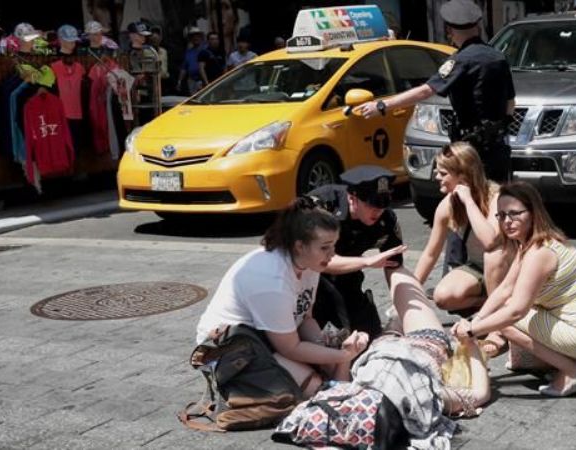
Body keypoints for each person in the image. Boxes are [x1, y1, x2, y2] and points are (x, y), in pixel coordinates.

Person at [452, 181, 576, 397]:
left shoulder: (538, 253)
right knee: (503, 312)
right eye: (501, 215)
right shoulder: (532, 243)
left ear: (533, 213)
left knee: (506, 318)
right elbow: (505, 288)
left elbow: (516, 311)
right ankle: (574, 360)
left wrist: (472, 331)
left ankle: (574, 371)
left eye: (514, 213)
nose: (507, 221)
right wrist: (474, 324)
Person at [195, 197, 369, 397]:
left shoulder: (310, 263)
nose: (332, 255)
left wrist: (334, 348)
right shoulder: (273, 280)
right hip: (229, 348)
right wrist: (342, 355)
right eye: (325, 247)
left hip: (269, 338)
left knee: (331, 367)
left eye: (334, 246)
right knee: (315, 387)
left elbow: (305, 318)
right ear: (300, 246)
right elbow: (290, 348)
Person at [356, 0, 514, 184]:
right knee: (497, 199)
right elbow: (510, 103)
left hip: (471, 150)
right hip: (498, 147)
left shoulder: (461, 60)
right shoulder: (498, 57)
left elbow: (426, 91)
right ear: (478, 26)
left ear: (450, 31)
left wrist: (382, 105)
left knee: (468, 200)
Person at [349, 267, 490, 448]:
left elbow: (480, 394)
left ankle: (396, 318)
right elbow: (480, 395)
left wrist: (470, 345)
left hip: (399, 345)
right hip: (419, 343)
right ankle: (396, 318)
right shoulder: (423, 398)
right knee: (398, 274)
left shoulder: (423, 399)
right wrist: (470, 343)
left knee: (399, 283)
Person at [307, 166, 407, 338]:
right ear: (353, 199)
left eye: (382, 205)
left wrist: (403, 307)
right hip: (309, 282)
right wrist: (367, 262)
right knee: (333, 341)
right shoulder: (322, 207)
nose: (378, 211)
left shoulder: (386, 219)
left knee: (370, 336)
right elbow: (317, 261)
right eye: (372, 205)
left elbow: (394, 266)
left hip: (348, 278)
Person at [413, 142, 504, 314]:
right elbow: (430, 254)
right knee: (442, 297)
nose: (437, 177)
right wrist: (411, 290)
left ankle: (500, 307)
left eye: (443, 173)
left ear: (463, 178)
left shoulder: (496, 197)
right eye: (436, 172)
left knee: (493, 257)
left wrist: (469, 202)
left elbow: (490, 241)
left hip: (507, 268)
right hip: (478, 268)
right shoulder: (447, 204)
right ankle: (488, 302)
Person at [177, 26, 205, 95]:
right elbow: (184, 68)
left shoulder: (205, 49)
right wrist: (179, 81)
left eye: (197, 36)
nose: (195, 38)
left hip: (203, 80)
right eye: (193, 36)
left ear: (201, 37)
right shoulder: (188, 52)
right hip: (192, 81)